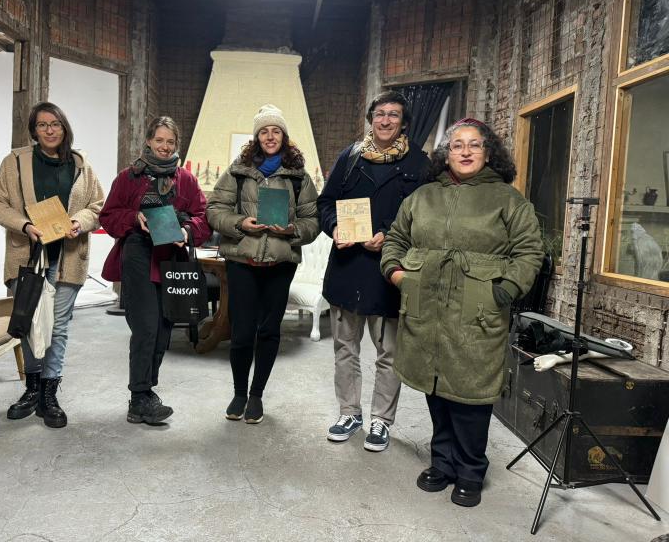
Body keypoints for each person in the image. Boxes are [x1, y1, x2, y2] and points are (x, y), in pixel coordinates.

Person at [380, 117, 543, 507]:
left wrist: (503, 291)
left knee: (470, 395)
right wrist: (398, 275)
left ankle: (470, 471)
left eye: (474, 145)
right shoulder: (422, 197)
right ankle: (442, 464)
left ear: (488, 153)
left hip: (477, 313)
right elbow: (396, 238)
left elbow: (529, 251)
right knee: (436, 388)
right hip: (425, 309)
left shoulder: (507, 200)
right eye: (457, 145)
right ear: (446, 153)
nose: (465, 151)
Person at [317, 90, 430, 452]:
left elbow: (426, 218)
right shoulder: (350, 156)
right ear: (371, 119)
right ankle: (349, 413)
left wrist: (390, 235)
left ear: (404, 122)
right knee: (345, 348)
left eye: (393, 115)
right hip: (347, 267)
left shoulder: (420, 163)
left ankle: (381, 420)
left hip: (389, 271)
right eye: (380, 114)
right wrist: (335, 227)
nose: (385, 120)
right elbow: (325, 202)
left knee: (389, 352)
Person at [0, 101, 104, 428]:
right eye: (42, 125)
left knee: (58, 325)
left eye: (55, 124)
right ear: (34, 130)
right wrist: (25, 225)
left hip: (68, 258)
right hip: (27, 257)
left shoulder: (80, 164)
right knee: (28, 323)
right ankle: (32, 388)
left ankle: (49, 393)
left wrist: (79, 222)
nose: (50, 130)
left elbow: (97, 206)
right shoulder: (15, 162)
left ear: (64, 128)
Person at [206, 104, 319, 424]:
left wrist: (292, 230)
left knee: (269, 331)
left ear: (284, 136)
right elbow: (214, 210)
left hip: (280, 264)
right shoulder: (237, 172)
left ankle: (256, 395)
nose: (270, 136)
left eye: (276, 131)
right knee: (242, 332)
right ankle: (239, 393)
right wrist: (240, 223)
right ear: (256, 137)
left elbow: (313, 220)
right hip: (242, 261)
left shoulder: (299, 178)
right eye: (264, 131)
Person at [100, 116, 210, 425]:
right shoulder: (129, 177)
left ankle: (146, 393)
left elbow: (203, 216)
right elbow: (108, 216)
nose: (164, 146)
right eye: (159, 140)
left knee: (163, 328)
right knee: (146, 327)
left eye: (170, 142)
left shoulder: (186, 180)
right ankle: (139, 395)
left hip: (170, 256)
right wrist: (134, 218)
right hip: (138, 254)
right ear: (148, 141)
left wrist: (187, 230)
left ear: (177, 145)